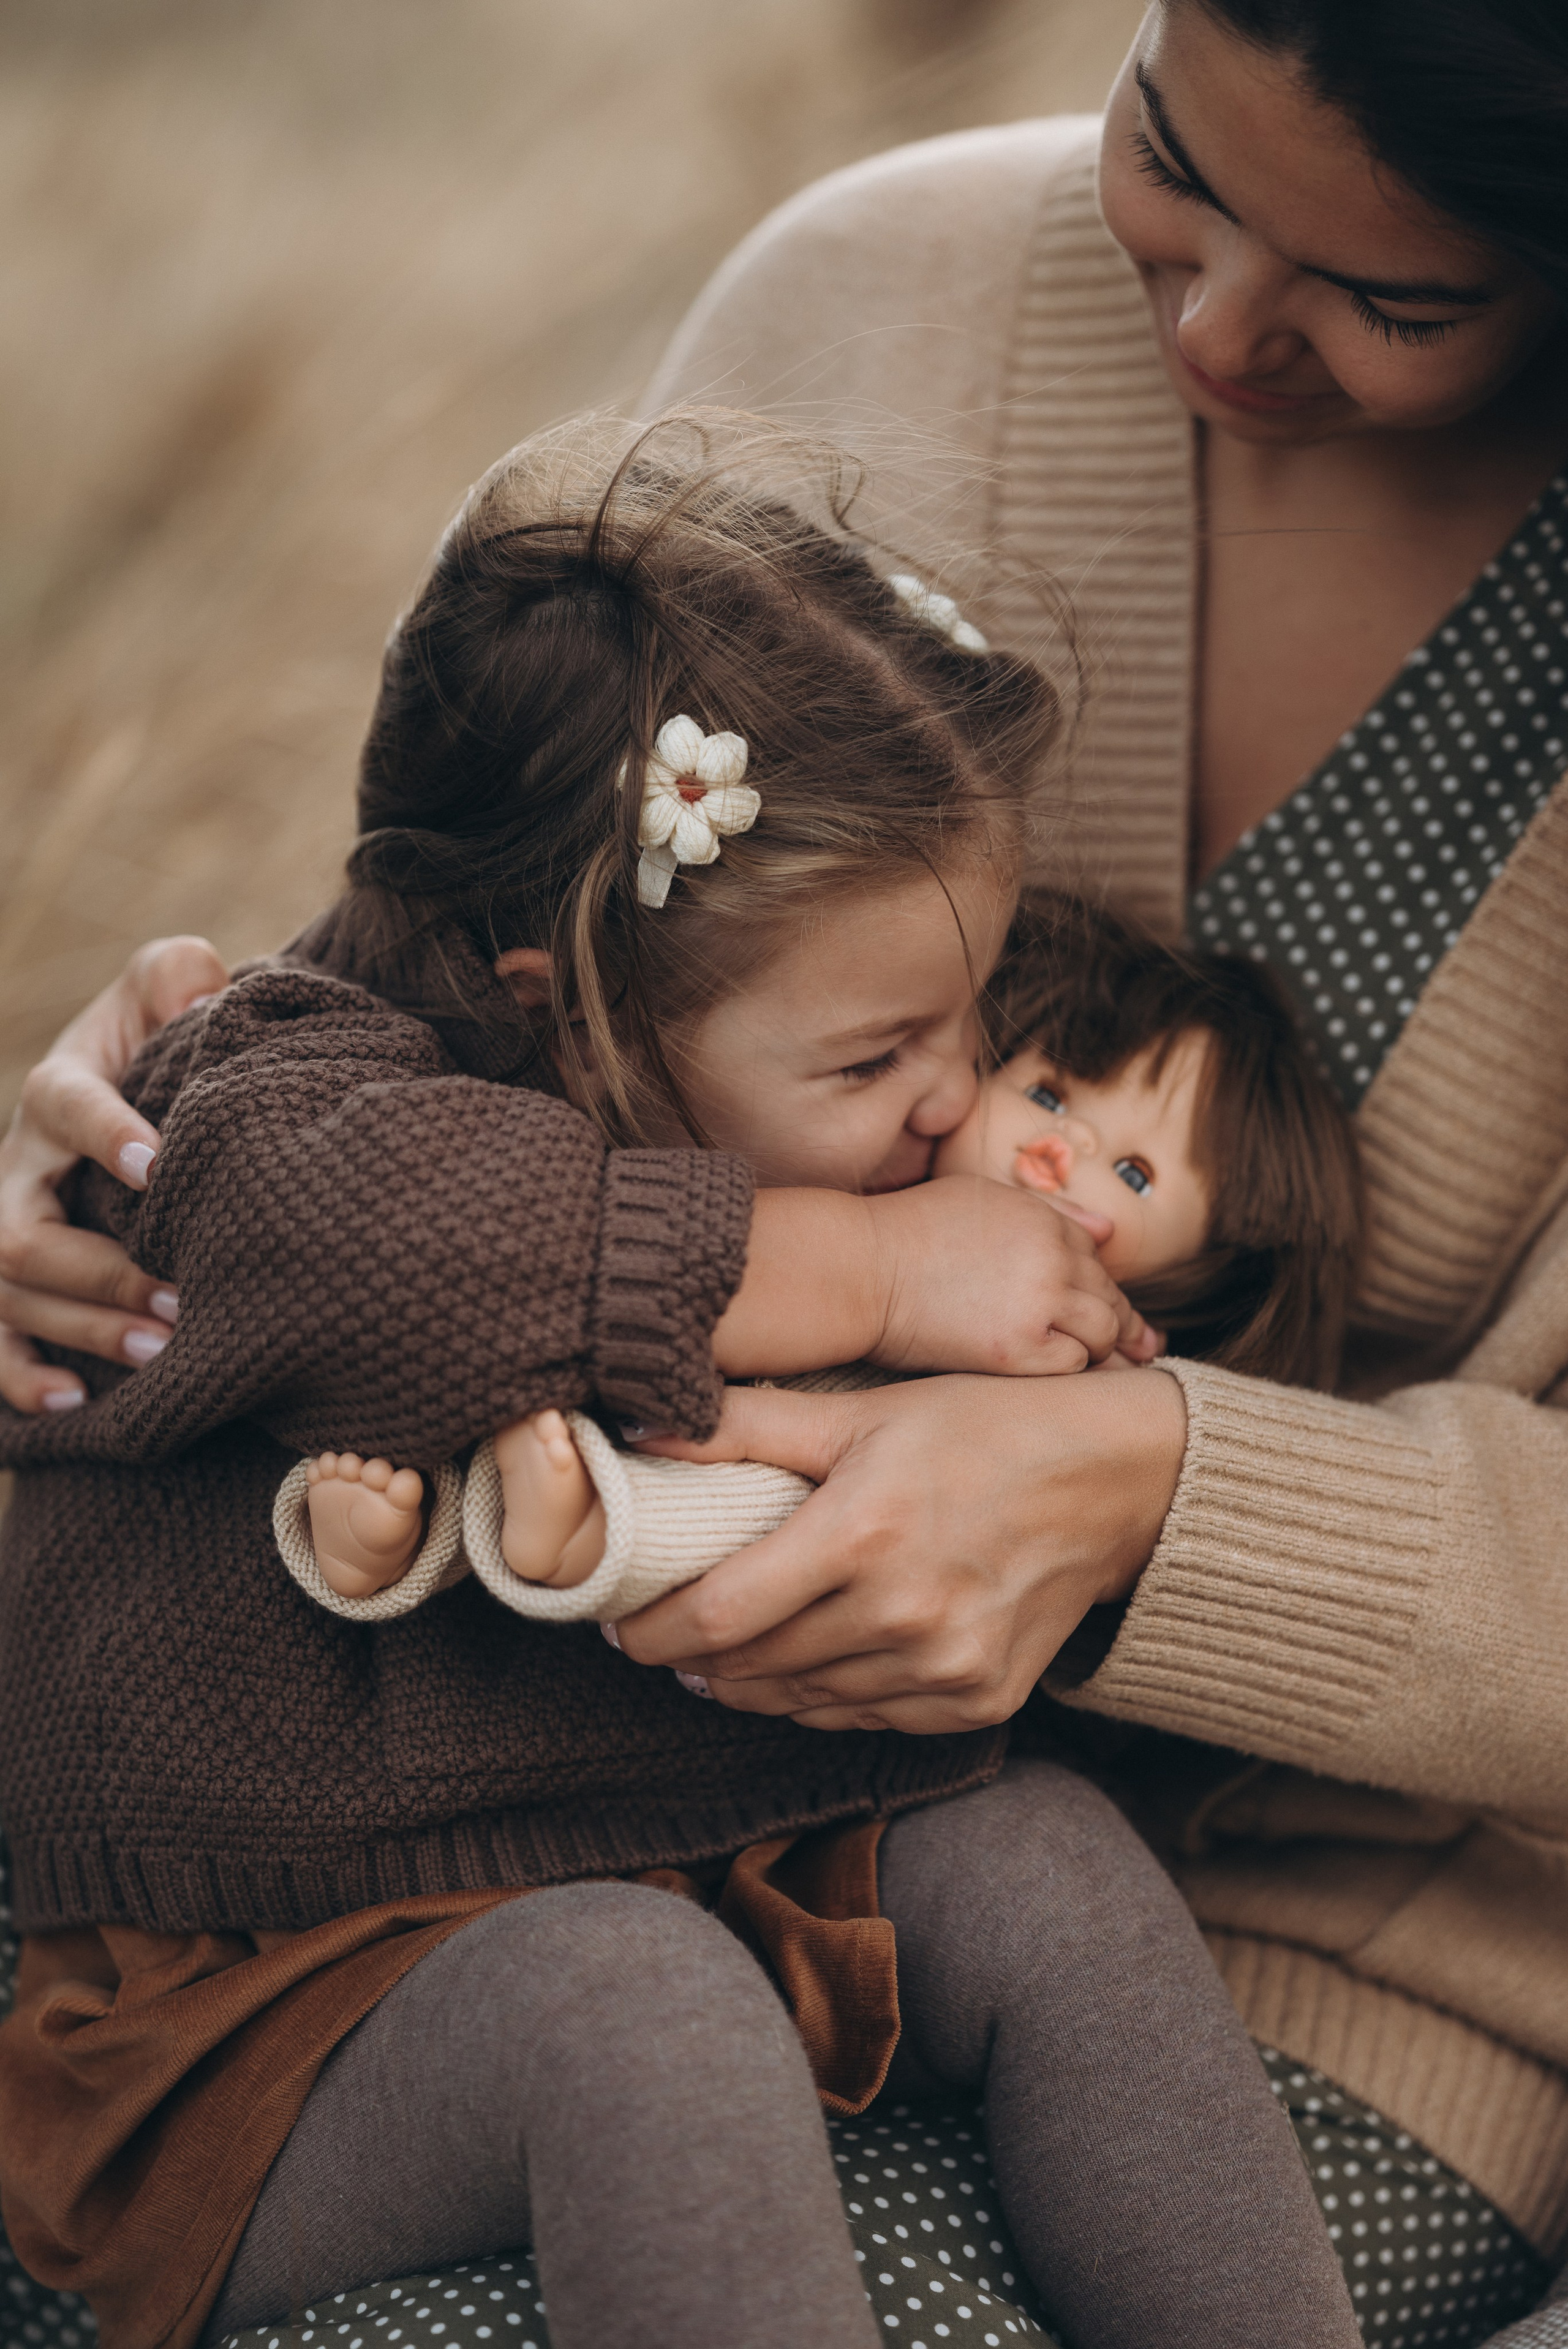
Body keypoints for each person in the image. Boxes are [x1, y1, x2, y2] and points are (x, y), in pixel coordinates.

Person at [6, 0, 1568, 2338]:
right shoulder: (855, 327)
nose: (1231, 324)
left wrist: (1156, 1480)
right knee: (627, 2056)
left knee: (1019, 1884)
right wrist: (120, 1134)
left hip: (1133, 1899)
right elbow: (384, 1003)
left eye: (1399, 292)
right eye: (1174, 153)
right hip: (302, 1943)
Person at [287, 895, 1360, 1615]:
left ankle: (576, 1542)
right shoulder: (849, 1167)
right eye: (1046, 1092)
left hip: (756, 1509)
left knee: (778, 1504)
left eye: (1130, 1175)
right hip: (590, 1377)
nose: (1061, 1147)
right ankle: (390, 1544)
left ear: (1192, 1278)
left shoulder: (1087, 1372)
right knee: (453, 1419)